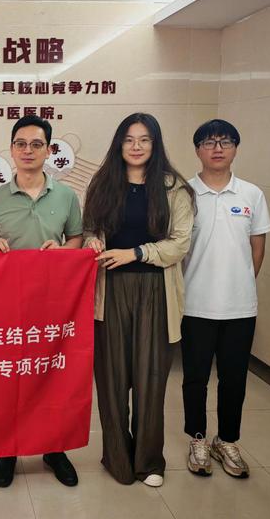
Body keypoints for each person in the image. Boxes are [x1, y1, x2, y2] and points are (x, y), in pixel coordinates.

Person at [0, 115, 83, 488]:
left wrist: (63, 251)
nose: (28, 151)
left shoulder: (66, 196)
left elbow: (76, 239)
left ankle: (54, 448)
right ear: (12, 149)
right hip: (7, 306)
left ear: (49, 151)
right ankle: (8, 449)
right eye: (21, 144)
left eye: (36, 144)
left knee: (52, 377)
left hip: (54, 306)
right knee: (9, 378)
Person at [83, 112, 193, 487]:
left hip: (155, 290)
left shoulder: (174, 188)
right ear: (119, 143)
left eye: (144, 139)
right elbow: (90, 227)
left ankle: (149, 462)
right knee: (112, 380)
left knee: (150, 380)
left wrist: (136, 253)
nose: (136, 146)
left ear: (155, 144)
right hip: (109, 291)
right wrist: (93, 240)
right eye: (129, 139)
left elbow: (180, 243)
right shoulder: (102, 183)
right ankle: (117, 458)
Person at [181, 119, 270, 479]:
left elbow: (257, 247)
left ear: (235, 148)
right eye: (209, 142)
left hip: (240, 307)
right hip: (195, 303)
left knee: (234, 379)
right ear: (197, 149)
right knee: (195, 378)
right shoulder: (184, 193)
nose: (217, 148)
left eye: (225, 142)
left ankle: (227, 440)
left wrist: (240, 284)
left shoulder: (251, 194)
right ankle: (198, 439)